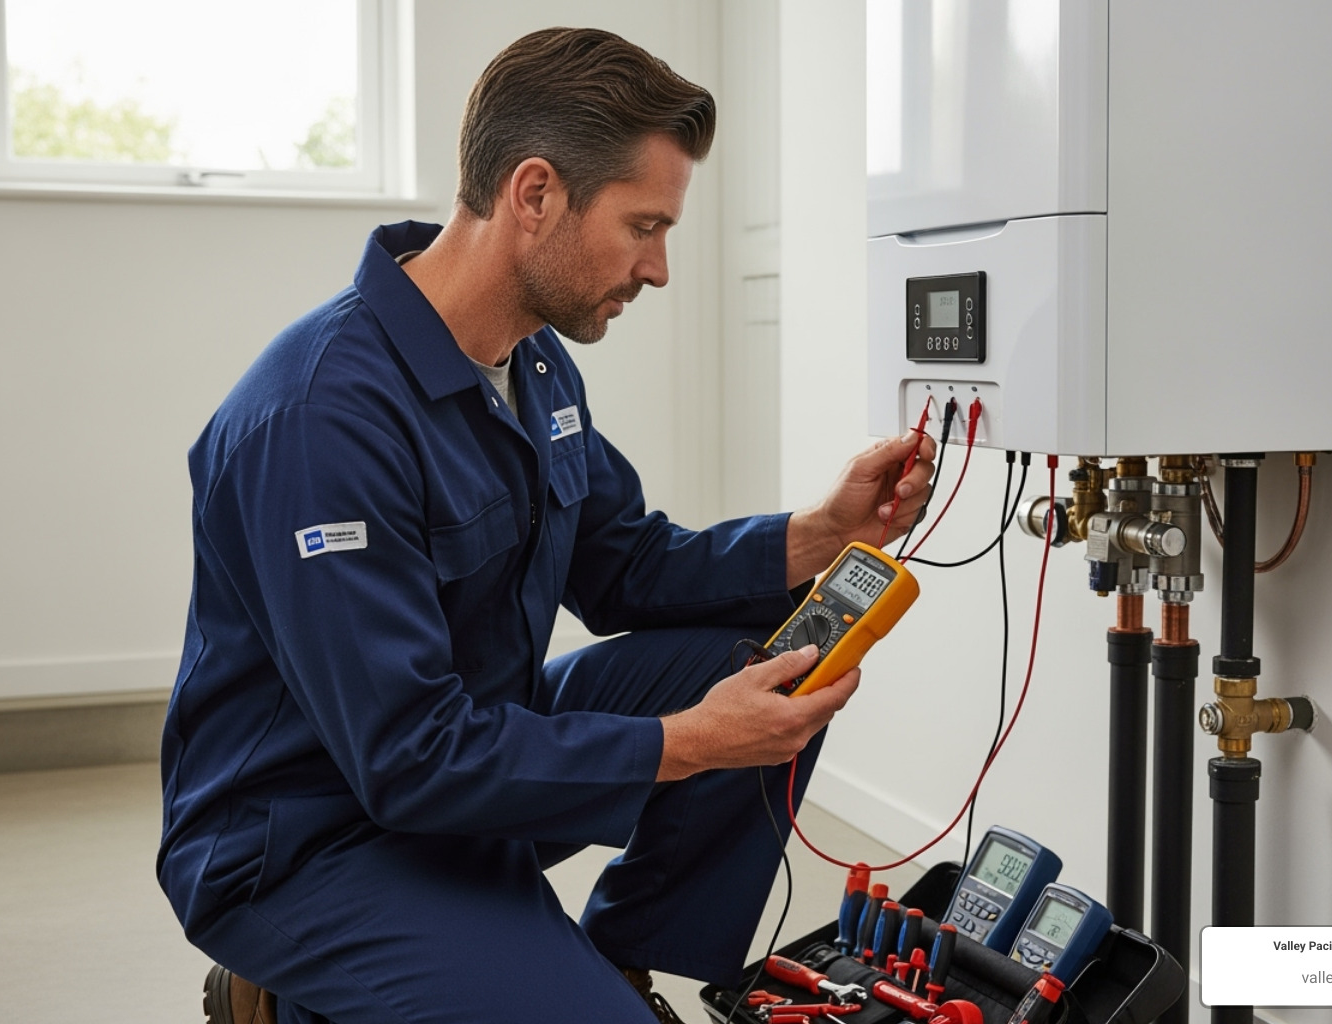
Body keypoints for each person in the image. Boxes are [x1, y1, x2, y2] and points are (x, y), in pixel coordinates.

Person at [158, 27, 936, 1024]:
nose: (658, 268)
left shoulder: (530, 365)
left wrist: (822, 531)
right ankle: (293, 991)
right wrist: (684, 743)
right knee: (703, 726)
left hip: (466, 773)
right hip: (307, 836)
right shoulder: (320, 421)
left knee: (766, 663)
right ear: (535, 195)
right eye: (644, 225)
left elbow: (626, 564)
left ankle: (613, 962)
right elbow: (408, 757)